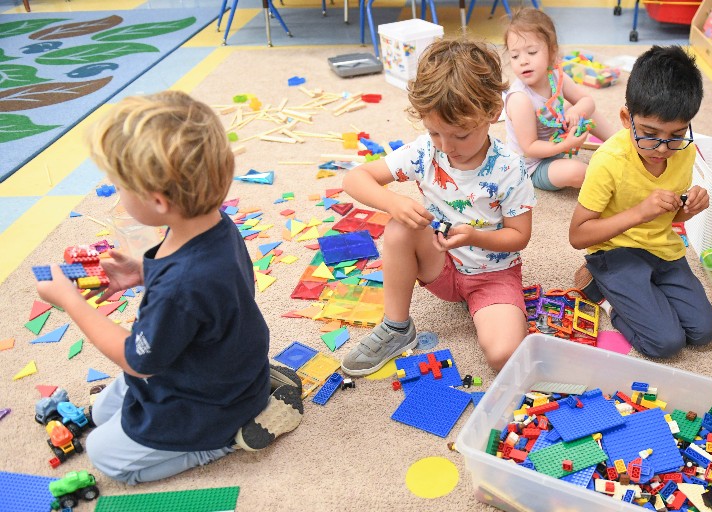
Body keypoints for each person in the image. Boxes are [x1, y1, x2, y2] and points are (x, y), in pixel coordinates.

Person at [35, 91, 303, 484]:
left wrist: (71, 302)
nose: (115, 191)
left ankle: (225, 441)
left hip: (209, 403)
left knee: (103, 454)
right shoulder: (217, 225)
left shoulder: (181, 287)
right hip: (218, 368)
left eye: (120, 186)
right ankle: (254, 392)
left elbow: (137, 360)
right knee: (105, 412)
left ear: (158, 201)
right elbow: (204, 290)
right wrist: (142, 271)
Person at [340, 39, 536, 375]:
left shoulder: (510, 169)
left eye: (460, 135)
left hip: (493, 276)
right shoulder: (424, 152)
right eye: (434, 133)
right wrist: (393, 201)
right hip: (440, 265)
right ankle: (397, 327)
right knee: (399, 227)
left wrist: (475, 236)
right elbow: (355, 179)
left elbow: (519, 236)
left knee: (505, 356)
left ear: (492, 113)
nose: (447, 147)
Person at [568, 46, 712, 358]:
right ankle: (602, 293)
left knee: (704, 332)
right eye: (650, 134)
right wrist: (639, 213)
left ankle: (639, 295)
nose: (662, 148)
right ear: (626, 118)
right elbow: (578, 235)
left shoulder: (684, 150)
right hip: (615, 253)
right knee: (665, 343)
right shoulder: (609, 160)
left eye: (676, 135)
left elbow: (673, 218)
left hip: (663, 250)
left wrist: (690, 207)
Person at [504, 8, 616, 191]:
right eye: (515, 56)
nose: (522, 61)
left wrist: (574, 112)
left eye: (531, 52)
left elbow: (588, 101)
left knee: (583, 107)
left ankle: (617, 142)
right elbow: (530, 148)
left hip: (558, 139)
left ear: (552, 53)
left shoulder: (555, 75)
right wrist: (566, 144)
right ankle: (611, 185)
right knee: (578, 172)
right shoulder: (520, 99)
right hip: (533, 166)